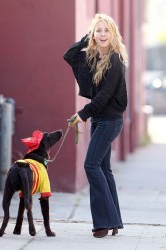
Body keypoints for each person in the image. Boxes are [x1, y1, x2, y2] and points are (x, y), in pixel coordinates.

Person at [63, 13, 128, 238]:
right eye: (98, 30)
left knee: (91, 165)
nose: (102, 35)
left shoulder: (115, 60)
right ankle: (114, 222)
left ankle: (104, 221)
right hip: (100, 119)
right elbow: (69, 55)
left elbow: (105, 97)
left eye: (106, 30)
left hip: (110, 120)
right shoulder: (93, 59)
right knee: (103, 168)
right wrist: (86, 38)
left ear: (113, 33)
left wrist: (83, 114)